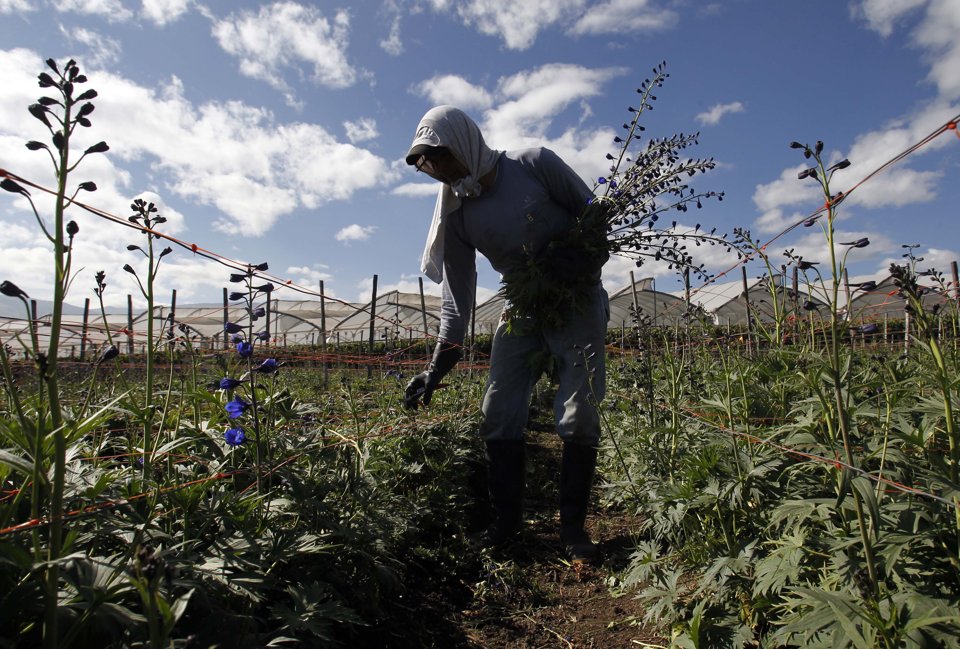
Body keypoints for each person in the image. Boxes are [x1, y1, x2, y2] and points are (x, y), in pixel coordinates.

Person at [402, 105, 609, 563]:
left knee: (577, 412)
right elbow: (458, 302)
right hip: (522, 308)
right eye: (429, 166)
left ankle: (573, 530)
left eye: (441, 159)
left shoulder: (534, 163)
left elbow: (595, 215)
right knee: (498, 411)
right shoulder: (457, 217)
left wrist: (582, 257)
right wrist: (436, 369)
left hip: (576, 297)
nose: (438, 173)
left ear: (464, 142)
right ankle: (506, 524)